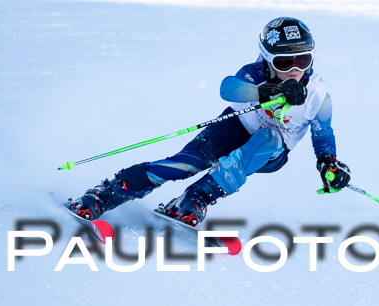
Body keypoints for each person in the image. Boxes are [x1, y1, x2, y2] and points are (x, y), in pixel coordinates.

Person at [69, 16, 351, 226]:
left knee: (269, 139)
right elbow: (228, 88)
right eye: (284, 63)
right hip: (233, 128)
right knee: (186, 164)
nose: (295, 71)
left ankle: (197, 197)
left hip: (271, 152)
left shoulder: (318, 95)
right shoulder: (256, 73)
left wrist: (328, 162)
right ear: (267, 59)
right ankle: (107, 193)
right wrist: (263, 92)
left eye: (303, 60)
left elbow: (322, 133)